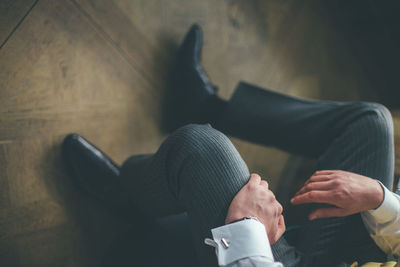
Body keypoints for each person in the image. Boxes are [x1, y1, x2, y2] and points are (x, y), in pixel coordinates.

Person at [62, 25, 400, 267]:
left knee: (202, 150)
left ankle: (124, 194)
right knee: (371, 122)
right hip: (371, 253)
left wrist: (246, 237)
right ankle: (202, 106)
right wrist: (383, 200)